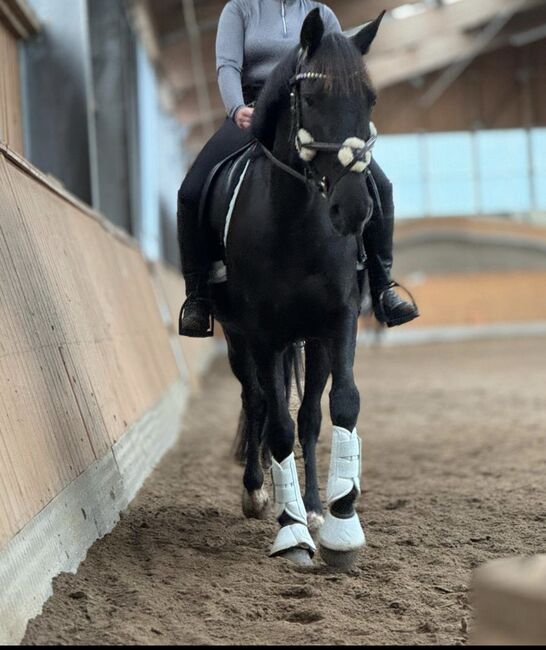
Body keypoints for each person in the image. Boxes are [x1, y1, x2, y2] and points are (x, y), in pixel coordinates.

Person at [177, 0, 419, 337]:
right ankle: (198, 297)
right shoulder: (240, 9)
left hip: (311, 115)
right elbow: (228, 66)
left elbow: (342, 70)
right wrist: (235, 107)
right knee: (191, 191)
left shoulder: (323, 15)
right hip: (253, 110)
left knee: (381, 185)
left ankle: (382, 286)